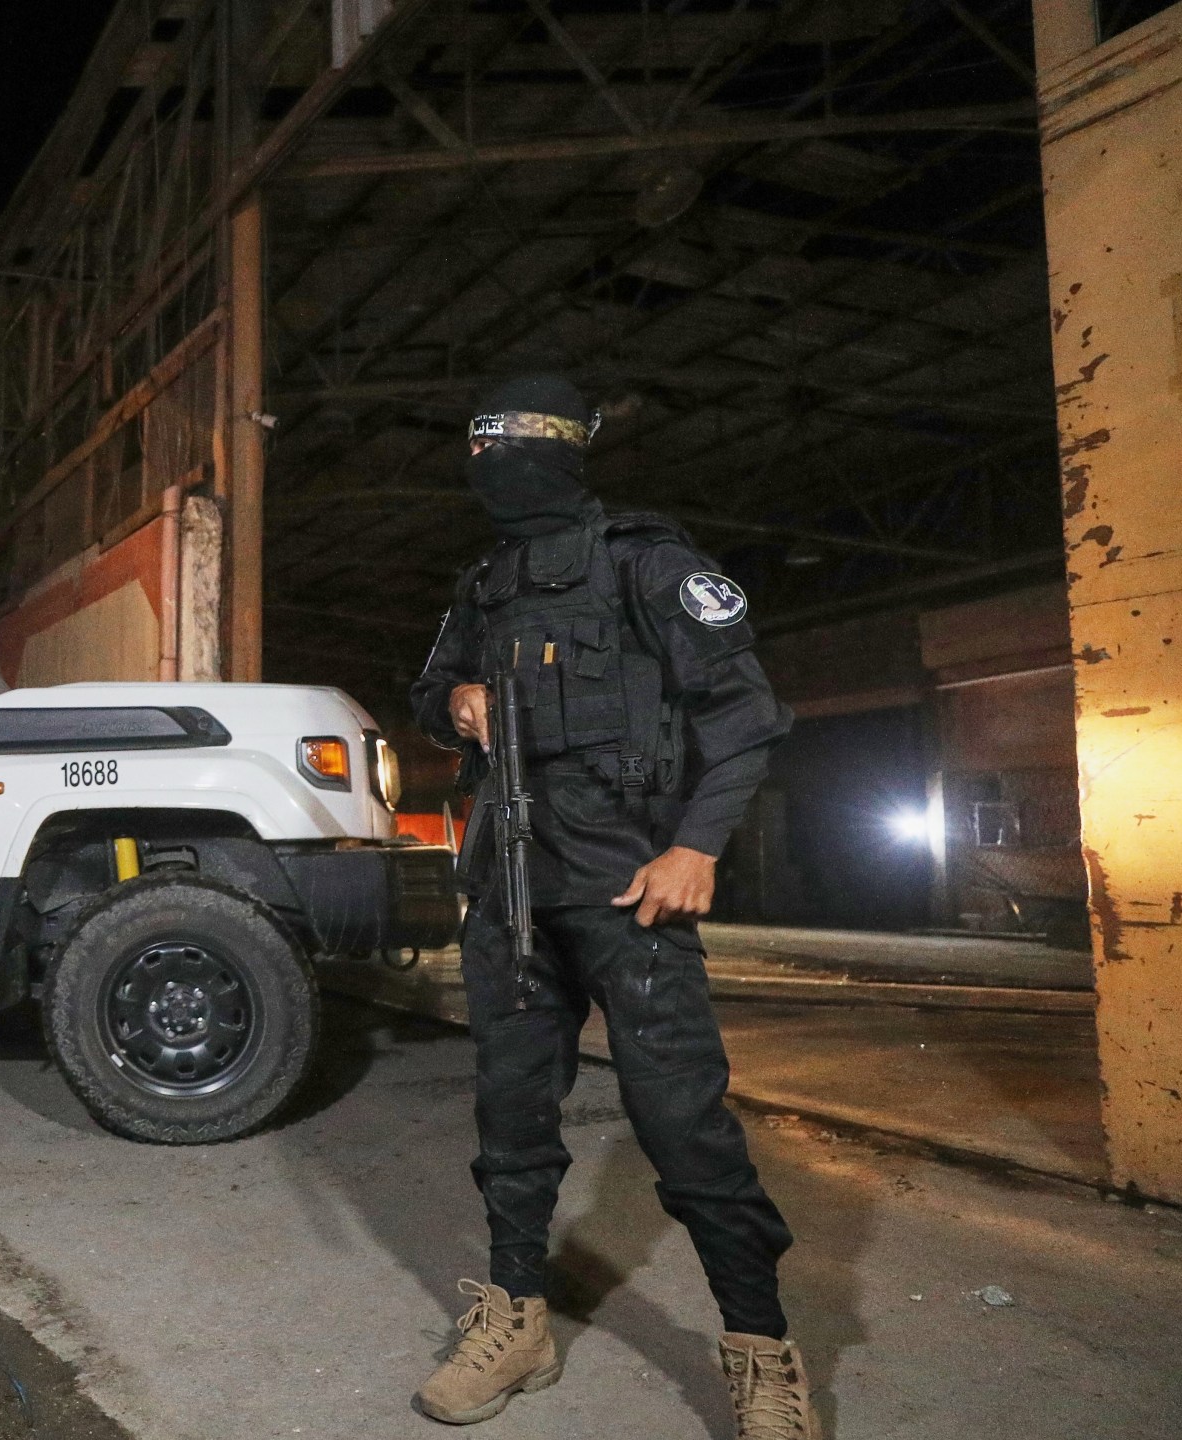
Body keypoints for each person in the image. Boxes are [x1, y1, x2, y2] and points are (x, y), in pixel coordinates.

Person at [407, 375, 817, 1438]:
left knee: (683, 1129)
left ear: (562, 454)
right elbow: (427, 687)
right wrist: (453, 703)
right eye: (477, 451)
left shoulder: (646, 562)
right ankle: (517, 1320)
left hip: (628, 887)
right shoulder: (484, 583)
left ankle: (759, 1347)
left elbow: (744, 715)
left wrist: (695, 845)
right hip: (508, 891)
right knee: (510, 1120)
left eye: (509, 449)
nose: (491, 469)